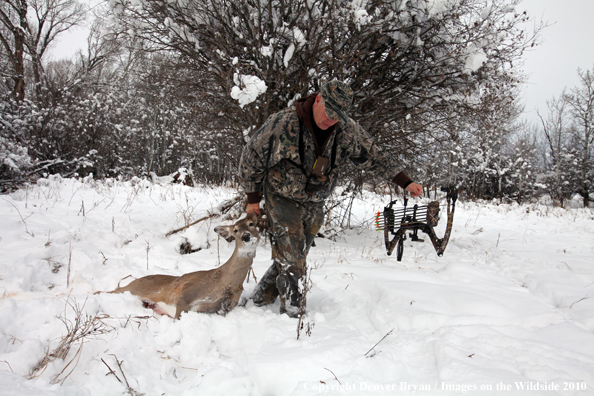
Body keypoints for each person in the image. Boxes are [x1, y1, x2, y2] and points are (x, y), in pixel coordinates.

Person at [238, 80, 423, 318]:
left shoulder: (346, 129)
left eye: (337, 116)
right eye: (328, 112)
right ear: (318, 99)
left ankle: (259, 299)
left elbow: (373, 155)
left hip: (315, 202)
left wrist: (405, 182)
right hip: (282, 198)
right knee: (293, 259)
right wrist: (253, 198)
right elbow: (251, 156)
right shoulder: (283, 123)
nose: (330, 119)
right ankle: (293, 316)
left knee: (295, 255)